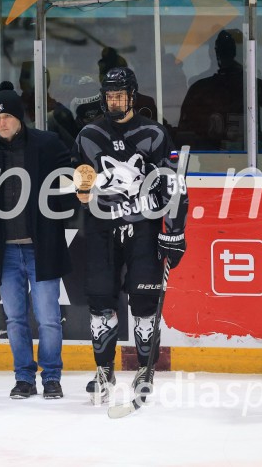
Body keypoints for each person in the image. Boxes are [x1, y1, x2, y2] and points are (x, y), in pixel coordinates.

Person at [73, 67, 189, 404]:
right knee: (100, 301)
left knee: (143, 302)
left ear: (133, 96)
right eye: (110, 95)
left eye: (120, 95)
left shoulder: (153, 133)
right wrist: (78, 188)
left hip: (144, 229)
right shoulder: (88, 135)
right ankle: (103, 369)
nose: (115, 101)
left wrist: (176, 232)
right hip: (100, 229)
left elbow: (173, 184)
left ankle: (143, 368)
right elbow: (76, 175)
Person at [0, 89, 72, 399]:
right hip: (5, 250)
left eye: (7, 117)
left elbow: (70, 179)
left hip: (41, 247)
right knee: (15, 318)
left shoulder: (47, 143)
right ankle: (23, 377)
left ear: (20, 118)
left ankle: (52, 377)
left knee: (47, 317)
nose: (2, 123)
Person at [177, 29, 262, 154]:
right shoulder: (260, 89)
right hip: (213, 167)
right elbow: (184, 138)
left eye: (230, 50)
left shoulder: (259, 89)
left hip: (244, 168)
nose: (227, 55)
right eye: (224, 50)